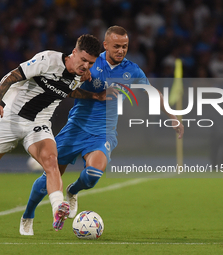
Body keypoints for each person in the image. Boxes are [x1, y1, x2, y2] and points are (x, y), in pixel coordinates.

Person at [20, 26, 184, 235]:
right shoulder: (91, 62)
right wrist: (89, 89)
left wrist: (172, 117)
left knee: (93, 174)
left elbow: (152, 92)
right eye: (116, 46)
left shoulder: (132, 70)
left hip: (102, 132)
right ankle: (28, 215)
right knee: (48, 177)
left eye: (125, 46)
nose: (121, 50)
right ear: (105, 45)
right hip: (75, 127)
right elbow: (67, 89)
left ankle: (72, 190)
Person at [0, 34, 107, 232]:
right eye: (84, 60)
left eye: (91, 63)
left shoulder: (81, 75)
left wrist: (93, 95)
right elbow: (12, 76)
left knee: (52, 161)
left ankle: (57, 208)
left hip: (39, 124)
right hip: (11, 119)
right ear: (74, 52)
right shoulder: (48, 60)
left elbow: (67, 90)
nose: (86, 66)